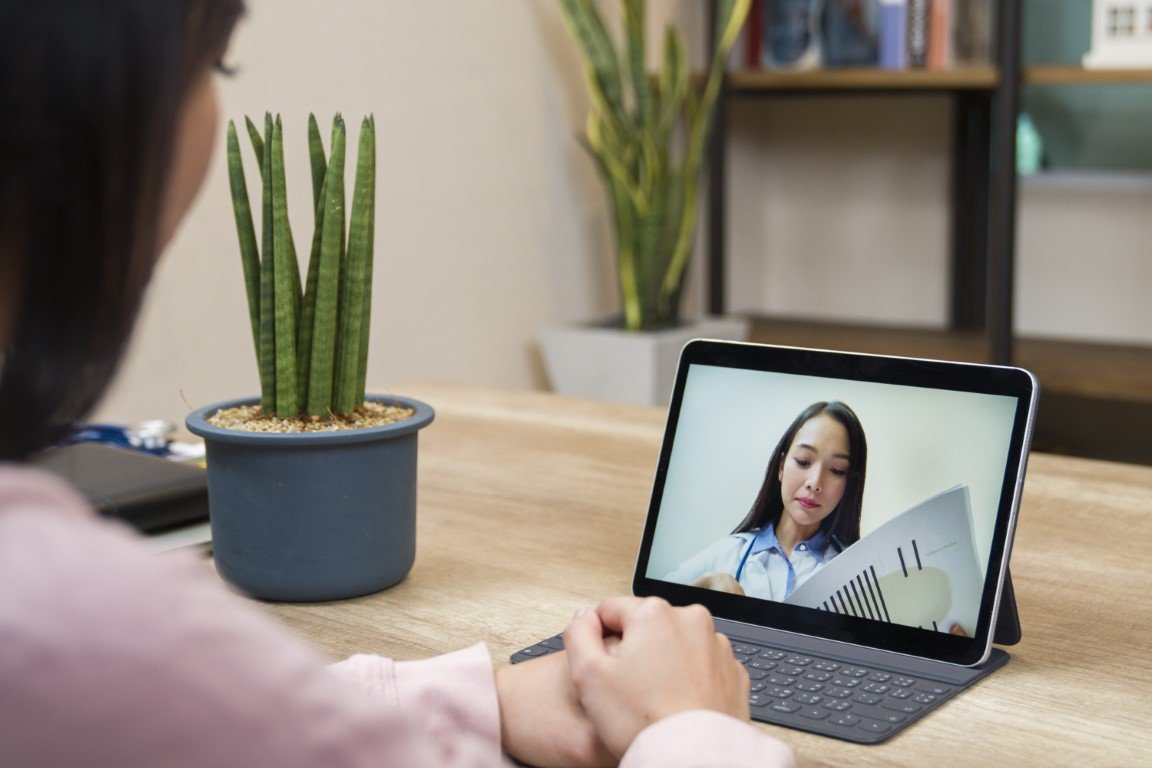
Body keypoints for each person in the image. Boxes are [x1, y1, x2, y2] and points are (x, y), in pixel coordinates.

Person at [0, 2, 797, 766]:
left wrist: (483, 698)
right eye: (214, 60)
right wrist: (694, 727)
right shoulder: (77, 624)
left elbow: (233, 721)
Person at [665, 401, 867, 602]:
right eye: (804, 461)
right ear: (781, 466)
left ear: (849, 484)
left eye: (837, 470)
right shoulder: (728, 553)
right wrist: (705, 584)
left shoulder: (857, 575)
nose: (815, 483)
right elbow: (648, 605)